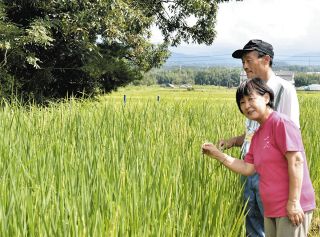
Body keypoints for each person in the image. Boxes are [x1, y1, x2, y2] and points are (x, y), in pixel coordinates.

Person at [202, 78, 315, 237]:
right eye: (242, 102)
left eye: (250, 99)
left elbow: (296, 161)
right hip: (271, 208)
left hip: (291, 206)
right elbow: (247, 168)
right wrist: (217, 154)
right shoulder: (257, 135)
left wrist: (294, 202)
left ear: (266, 98)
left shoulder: (281, 123)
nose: (246, 105)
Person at [219, 39, 300, 237]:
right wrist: (233, 141)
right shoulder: (250, 91)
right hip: (248, 170)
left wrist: (293, 198)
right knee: (252, 224)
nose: (245, 66)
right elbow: (254, 133)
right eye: (243, 62)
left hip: (271, 174)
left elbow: (291, 139)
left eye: (248, 60)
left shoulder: (283, 89)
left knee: (274, 226)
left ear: (266, 60)